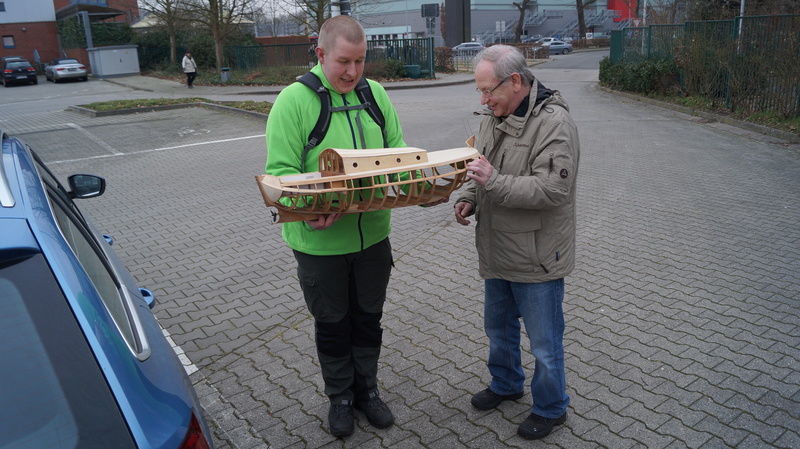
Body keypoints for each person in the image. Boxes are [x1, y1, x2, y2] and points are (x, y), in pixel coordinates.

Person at [264, 15, 404, 438]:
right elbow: (281, 175)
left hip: (373, 236)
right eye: (344, 61)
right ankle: (340, 397)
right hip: (320, 243)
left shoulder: (375, 94)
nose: (353, 72)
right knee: (332, 324)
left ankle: (368, 391)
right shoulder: (293, 100)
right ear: (320, 54)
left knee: (368, 320)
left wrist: (415, 184)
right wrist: (310, 209)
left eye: (361, 62)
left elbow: (397, 151)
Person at [453, 44, 580, 440]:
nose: (484, 99)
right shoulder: (494, 114)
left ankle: (550, 407)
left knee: (544, 341)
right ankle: (506, 384)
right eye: (480, 91)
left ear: (515, 81)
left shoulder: (554, 123)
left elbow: (553, 190)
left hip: (537, 256)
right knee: (499, 328)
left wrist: (494, 182)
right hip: (498, 249)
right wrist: (468, 198)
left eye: (489, 90)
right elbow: (481, 163)